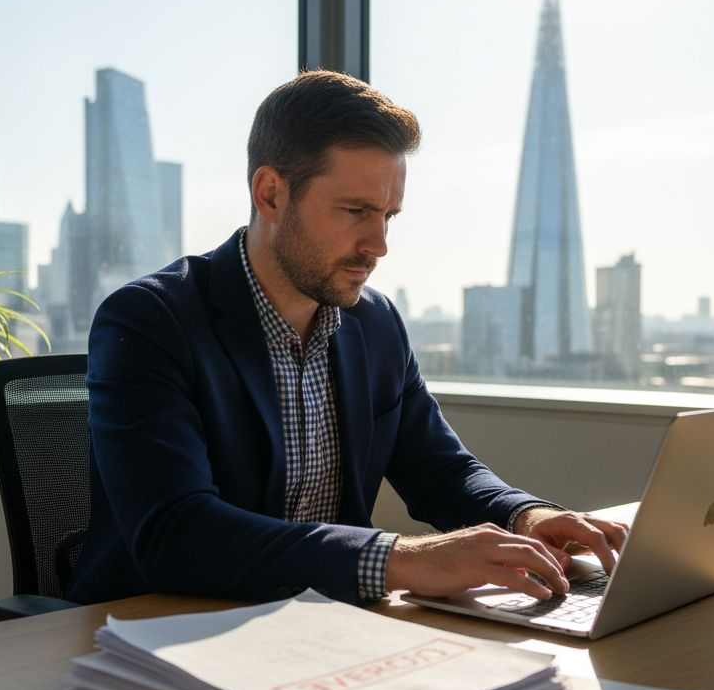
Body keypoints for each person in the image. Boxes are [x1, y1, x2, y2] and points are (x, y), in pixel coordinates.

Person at [67, 70, 627, 606]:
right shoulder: (149, 320)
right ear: (270, 194)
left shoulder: (374, 323)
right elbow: (177, 534)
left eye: (389, 215)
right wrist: (403, 560)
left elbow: (440, 470)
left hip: (326, 629)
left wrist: (524, 516)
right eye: (356, 211)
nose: (378, 244)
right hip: (159, 633)